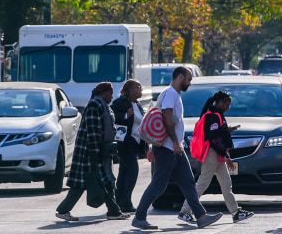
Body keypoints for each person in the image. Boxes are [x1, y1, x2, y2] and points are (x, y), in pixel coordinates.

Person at [131, 67, 223, 230]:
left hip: (172, 147)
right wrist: (173, 142)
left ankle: (201, 216)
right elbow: (166, 118)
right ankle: (139, 217)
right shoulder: (171, 94)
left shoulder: (171, 94)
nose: (190, 82)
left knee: (188, 182)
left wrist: (159, 144)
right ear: (180, 77)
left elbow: (162, 122)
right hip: (169, 148)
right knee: (159, 185)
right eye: (188, 78)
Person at [56, 82, 131, 222]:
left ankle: (113, 211)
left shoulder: (102, 106)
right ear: (103, 93)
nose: (111, 97)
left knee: (104, 180)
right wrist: (96, 154)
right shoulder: (94, 106)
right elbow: (92, 132)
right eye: (110, 93)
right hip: (89, 152)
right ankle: (63, 210)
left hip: (97, 151)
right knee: (86, 183)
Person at [178, 91, 253, 224]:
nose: (228, 107)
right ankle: (185, 211)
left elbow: (217, 132)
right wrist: (226, 157)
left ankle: (235, 212)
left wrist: (228, 130)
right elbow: (214, 139)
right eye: (226, 103)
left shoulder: (216, 115)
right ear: (219, 102)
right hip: (213, 154)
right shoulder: (212, 116)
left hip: (217, 155)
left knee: (226, 184)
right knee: (203, 183)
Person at [110, 79, 146, 213]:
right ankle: (126, 201)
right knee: (132, 171)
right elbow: (111, 115)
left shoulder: (137, 104)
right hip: (125, 143)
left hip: (135, 143)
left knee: (124, 173)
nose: (140, 89)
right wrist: (125, 115)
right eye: (137, 87)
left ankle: (119, 202)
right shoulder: (121, 102)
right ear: (129, 90)